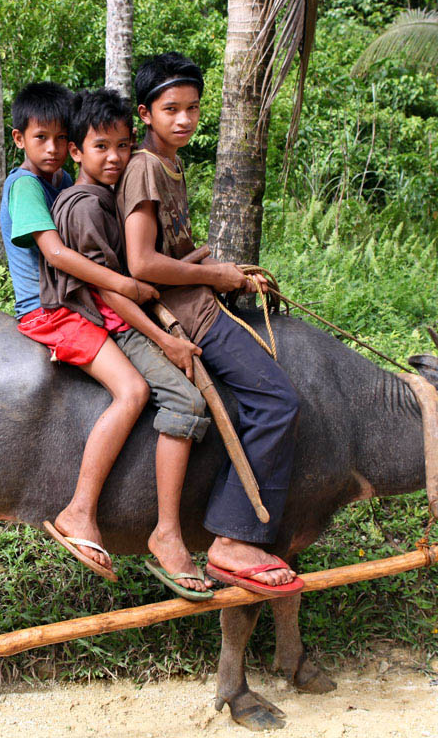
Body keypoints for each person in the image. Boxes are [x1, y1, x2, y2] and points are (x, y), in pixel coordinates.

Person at [117, 52, 304, 596]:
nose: (183, 119)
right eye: (170, 109)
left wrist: (227, 275)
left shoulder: (171, 163)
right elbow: (141, 263)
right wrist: (219, 276)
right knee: (277, 400)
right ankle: (232, 537)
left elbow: (168, 252)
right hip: (189, 314)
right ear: (145, 114)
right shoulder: (146, 167)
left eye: (193, 108)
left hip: (199, 295)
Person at [33, 87, 214, 599]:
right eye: (99, 148)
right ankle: (161, 529)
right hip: (112, 322)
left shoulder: (107, 198)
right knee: (185, 396)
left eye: (122, 147)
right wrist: (164, 339)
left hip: (125, 311)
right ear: (76, 152)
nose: (113, 158)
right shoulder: (86, 207)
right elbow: (111, 287)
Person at [0, 80, 158, 579]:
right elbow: (56, 253)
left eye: (57, 139)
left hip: (75, 299)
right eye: (39, 137)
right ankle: (80, 510)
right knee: (132, 390)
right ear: (18, 138)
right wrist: (124, 285)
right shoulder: (25, 185)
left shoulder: (61, 179)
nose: (49, 149)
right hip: (49, 310)